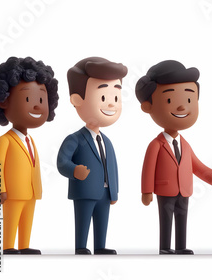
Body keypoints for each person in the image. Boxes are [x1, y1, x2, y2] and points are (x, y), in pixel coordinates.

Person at [136, 60, 212, 255]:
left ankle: (181, 246)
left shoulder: (185, 145)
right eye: (169, 100)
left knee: (182, 216)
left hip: (184, 190)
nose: (183, 107)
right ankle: (166, 247)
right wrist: (146, 191)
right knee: (165, 217)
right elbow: (148, 168)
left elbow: (200, 169)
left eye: (190, 100)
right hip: (165, 190)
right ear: (148, 106)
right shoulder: (155, 145)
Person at [0, 56, 59, 254]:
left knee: (28, 218)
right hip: (12, 192)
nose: (37, 106)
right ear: (3, 102)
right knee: (11, 217)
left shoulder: (30, 141)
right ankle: (8, 245)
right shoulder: (5, 140)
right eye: (28, 99)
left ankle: (24, 245)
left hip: (31, 191)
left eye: (41, 100)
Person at [57, 57, 127, 255]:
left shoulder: (108, 141)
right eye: (104, 98)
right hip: (85, 190)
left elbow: (112, 167)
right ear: (77, 99)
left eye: (115, 98)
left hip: (105, 193)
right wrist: (74, 171)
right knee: (83, 219)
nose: (111, 105)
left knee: (103, 220)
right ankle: (81, 246)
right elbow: (62, 162)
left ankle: (100, 246)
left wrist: (115, 192)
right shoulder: (75, 139)